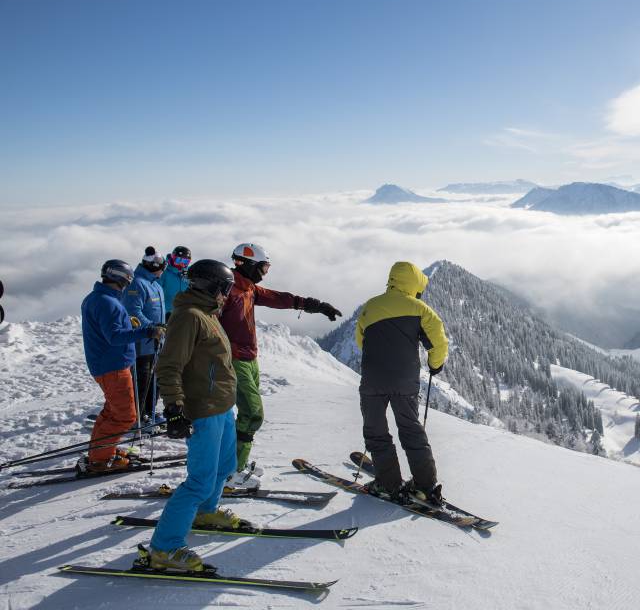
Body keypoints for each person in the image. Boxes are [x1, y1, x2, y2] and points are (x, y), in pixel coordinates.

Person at [219, 243, 342, 488]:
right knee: (252, 414)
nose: (265, 272)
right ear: (250, 264)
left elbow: (279, 299)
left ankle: (234, 464)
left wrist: (316, 305)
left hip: (249, 357)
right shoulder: (229, 290)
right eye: (264, 267)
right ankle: (230, 473)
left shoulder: (248, 288)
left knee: (245, 414)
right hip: (234, 359)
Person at [148, 259, 243, 571]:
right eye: (226, 288)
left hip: (222, 407)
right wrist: (174, 409)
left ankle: (205, 511)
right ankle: (165, 547)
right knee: (200, 480)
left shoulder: (207, 314)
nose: (228, 294)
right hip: (203, 410)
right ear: (213, 287)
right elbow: (169, 365)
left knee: (225, 466)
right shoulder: (189, 317)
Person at [355, 261, 448, 504]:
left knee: (376, 432)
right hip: (404, 381)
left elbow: (361, 341)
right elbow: (438, 341)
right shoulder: (420, 309)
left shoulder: (369, 308)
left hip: (373, 380)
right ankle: (425, 487)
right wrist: (435, 364)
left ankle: (388, 484)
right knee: (411, 430)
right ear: (415, 283)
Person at [81, 260, 162, 472]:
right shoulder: (108, 302)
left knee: (112, 411)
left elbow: (110, 328)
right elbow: (115, 337)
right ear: (122, 278)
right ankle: (100, 460)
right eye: (128, 280)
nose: (128, 284)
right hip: (113, 365)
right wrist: (148, 331)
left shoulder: (97, 298)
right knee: (125, 416)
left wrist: (129, 323)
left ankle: (102, 451)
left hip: (105, 363)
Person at [122, 247, 166, 423]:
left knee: (153, 379)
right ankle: (136, 416)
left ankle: (148, 412)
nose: (164, 270)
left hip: (155, 339)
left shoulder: (154, 283)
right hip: (143, 339)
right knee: (142, 377)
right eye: (163, 266)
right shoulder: (137, 283)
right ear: (156, 266)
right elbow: (133, 312)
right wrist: (152, 327)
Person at [159, 246, 191, 321]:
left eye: (185, 262)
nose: (181, 264)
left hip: (183, 315)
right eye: (178, 260)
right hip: (165, 315)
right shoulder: (164, 271)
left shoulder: (189, 274)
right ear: (173, 258)